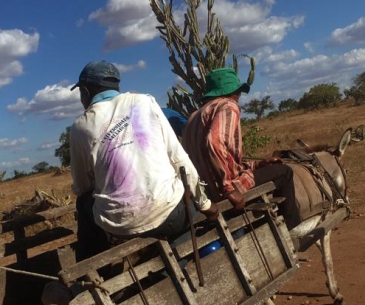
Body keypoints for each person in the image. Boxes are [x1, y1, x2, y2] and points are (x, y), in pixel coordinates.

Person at [69, 60, 218, 261]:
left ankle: (92, 269)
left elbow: (81, 186)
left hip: (122, 227)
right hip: (173, 214)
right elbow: (179, 158)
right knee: (175, 190)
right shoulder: (143, 102)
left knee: (84, 201)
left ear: (85, 92)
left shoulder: (80, 127)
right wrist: (206, 204)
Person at [183, 68, 300, 229]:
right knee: (285, 172)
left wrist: (258, 164)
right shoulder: (228, 106)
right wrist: (228, 190)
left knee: (271, 168)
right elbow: (214, 143)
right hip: (226, 191)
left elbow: (220, 158)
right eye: (238, 92)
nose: (239, 97)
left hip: (205, 195)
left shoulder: (194, 116)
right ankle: (293, 229)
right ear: (234, 91)